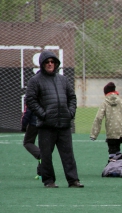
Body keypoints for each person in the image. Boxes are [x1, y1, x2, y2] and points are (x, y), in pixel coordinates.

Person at [25, 50, 83, 188]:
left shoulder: (63, 79)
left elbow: (72, 97)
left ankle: (73, 180)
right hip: (46, 126)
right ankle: (49, 181)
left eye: (52, 62)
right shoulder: (35, 80)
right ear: (42, 64)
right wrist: (43, 114)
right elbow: (30, 100)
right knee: (46, 156)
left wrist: (70, 113)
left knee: (68, 154)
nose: (50, 64)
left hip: (64, 123)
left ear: (56, 63)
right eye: (47, 62)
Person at [90, 82, 122, 161]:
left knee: (112, 149)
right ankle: (119, 161)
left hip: (111, 131)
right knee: (117, 147)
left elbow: (98, 118)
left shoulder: (105, 103)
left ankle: (113, 164)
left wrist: (94, 134)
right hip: (121, 130)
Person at [21, 104, 41, 179]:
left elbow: (27, 112)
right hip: (48, 123)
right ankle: (41, 173)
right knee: (45, 146)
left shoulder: (31, 95)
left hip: (34, 123)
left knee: (27, 142)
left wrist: (23, 125)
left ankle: (40, 155)